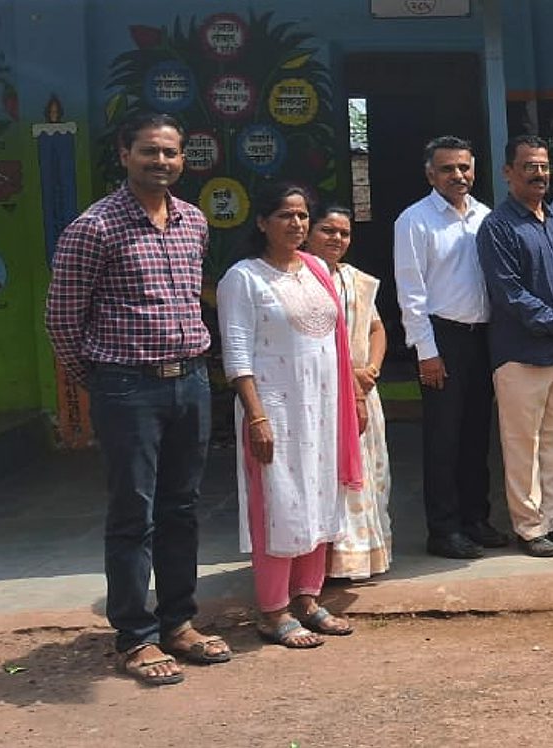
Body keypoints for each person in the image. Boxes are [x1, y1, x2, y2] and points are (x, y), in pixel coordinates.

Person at [46, 112, 229, 685]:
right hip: (128, 386)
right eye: (149, 151)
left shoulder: (193, 221)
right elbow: (62, 319)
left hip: (190, 381)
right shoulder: (94, 227)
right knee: (134, 512)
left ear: (183, 159)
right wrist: (102, 380)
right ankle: (135, 636)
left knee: (182, 508)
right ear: (124, 154)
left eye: (171, 152)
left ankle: (179, 623)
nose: (161, 162)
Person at [217, 184, 362, 649]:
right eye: (285, 215)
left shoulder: (317, 268)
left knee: (318, 497)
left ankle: (307, 598)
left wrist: (352, 400)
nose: (296, 224)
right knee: (279, 504)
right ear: (262, 222)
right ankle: (273, 610)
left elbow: (335, 342)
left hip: (322, 408)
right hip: (275, 410)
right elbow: (237, 353)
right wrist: (256, 417)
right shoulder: (244, 278)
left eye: (302, 216)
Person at [478, 135, 553, 557]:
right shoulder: (497, 227)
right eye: (529, 166)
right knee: (522, 444)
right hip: (523, 355)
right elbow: (510, 294)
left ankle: (552, 518)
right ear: (508, 172)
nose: (539, 174)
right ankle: (530, 528)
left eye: (544, 166)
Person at [392, 136, 503, 559]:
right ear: (430, 174)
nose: (458, 175)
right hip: (442, 340)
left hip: (483, 337)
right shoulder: (414, 220)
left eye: (464, 167)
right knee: (444, 439)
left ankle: (476, 519)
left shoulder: (485, 216)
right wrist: (427, 351)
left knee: (477, 435)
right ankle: (444, 529)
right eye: (447, 169)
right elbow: (411, 292)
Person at [306, 205, 394, 579]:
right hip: (323, 393)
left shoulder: (355, 279)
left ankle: (362, 557)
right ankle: (323, 565)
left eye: (344, 233)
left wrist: (370, 369)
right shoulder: (299, 278)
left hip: (363, 390)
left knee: (370, 474)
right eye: (328, 230)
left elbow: (376, 328)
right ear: (309, 232)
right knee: (328, 476)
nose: (337, 239)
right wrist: (348, 375)